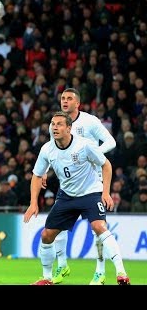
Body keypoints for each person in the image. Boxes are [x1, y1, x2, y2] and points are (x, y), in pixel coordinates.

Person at [24, 111, 130, 285]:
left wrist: (105, 192)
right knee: (46, 235)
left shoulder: (85, 145)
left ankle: (121, 274)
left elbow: (106, 165)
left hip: (91, 192)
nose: (54, 127)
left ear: (69, 128)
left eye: (59, 124)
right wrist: (33, 202)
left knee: (99, 226)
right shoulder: (47, 149)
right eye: (52, 124)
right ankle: (47, 278)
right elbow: (36, 175)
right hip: (67, 196)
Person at [44, 88, 116, 285]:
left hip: (92, 179)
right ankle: (62, 265)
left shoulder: (90, 121)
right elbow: (52, 149)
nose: (65, 102)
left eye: (69, 99)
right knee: (58, 225)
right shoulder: (57, 123)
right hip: (67, 179)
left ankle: (100, 272)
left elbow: (111, 141)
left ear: (78, 103)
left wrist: (93, 157)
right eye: (62, 98)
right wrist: (44, 170)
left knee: (97, 228)